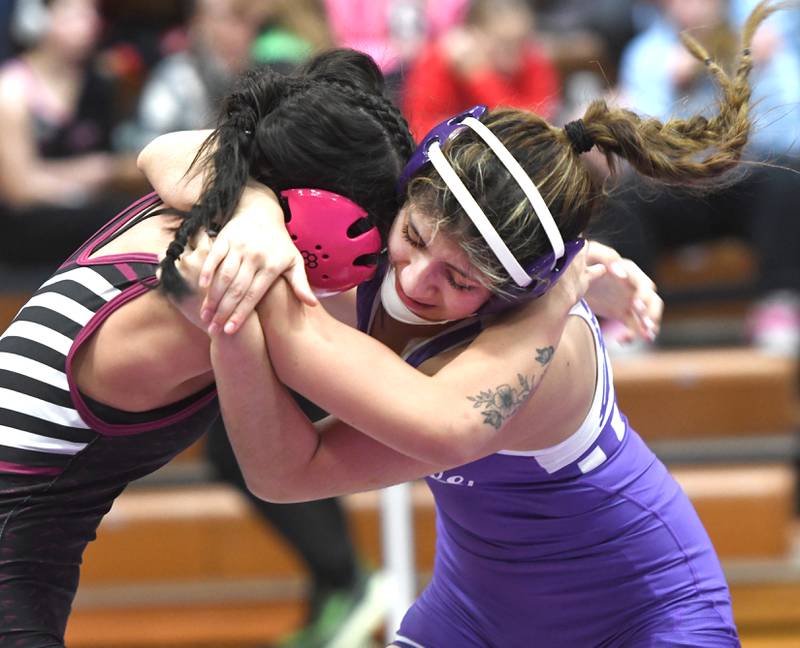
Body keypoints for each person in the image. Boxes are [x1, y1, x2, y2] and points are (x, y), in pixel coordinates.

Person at [153, 3, 779, 646]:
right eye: (415, 236)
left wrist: (237, 298)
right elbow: (166, 153)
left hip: (644, 618)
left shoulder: (548, 341)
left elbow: (315, 464)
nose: (417, 280)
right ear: (407, 193)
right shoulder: (381, 221)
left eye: (461, 280)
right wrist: (253, 213)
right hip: (473, 613)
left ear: (523, 287)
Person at [0, 46, 643, 647]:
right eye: (392, 238)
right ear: (318, 224)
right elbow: (442, 423)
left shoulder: (208, 193)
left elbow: (170, 149)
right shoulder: (226, 282)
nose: (379, 270)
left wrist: (254, 209)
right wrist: (559, 287)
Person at [0, 0, 139, 270]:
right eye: (74, 14)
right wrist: (88, 175)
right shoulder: (11, 89)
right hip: (27, 222)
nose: (89, 23)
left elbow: (116, 163)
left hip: (87, 210)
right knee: (115, 221)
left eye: (92, 13)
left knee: (137, 214)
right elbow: (20, 189)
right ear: (37, 20)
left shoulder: (99, 82)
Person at [401, 0, 560, 139]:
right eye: (503, 43)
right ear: (470, 36)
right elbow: (419, 130)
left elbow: (531, 125)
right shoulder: (438, 60)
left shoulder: (532, 59)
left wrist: (479, 77)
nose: (514, 54)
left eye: (520, 41)